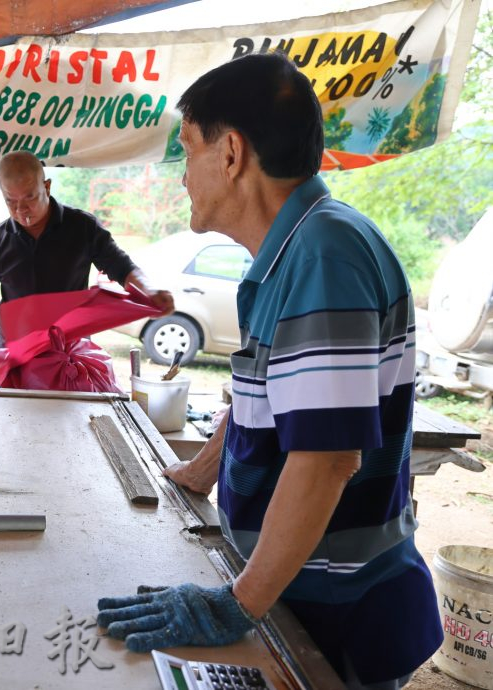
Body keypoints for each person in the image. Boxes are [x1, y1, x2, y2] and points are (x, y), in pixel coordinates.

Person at [96, 53, 441, 689]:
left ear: (230, 154)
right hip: (296, 591)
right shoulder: (295, 248)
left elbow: (327, 457)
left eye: (189, 149)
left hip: (331, 612)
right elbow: (280, 396)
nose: (182, 176)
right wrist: (201, 471)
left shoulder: (322, 258)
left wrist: (238, 601)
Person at [0, 150, 174, 347]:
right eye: (10, 202)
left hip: (70, 353)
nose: (21, 210)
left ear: (46, 186)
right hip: (14, 353)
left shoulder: (82, 227)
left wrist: (150, 290)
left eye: (30, 197)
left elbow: (121, 267)